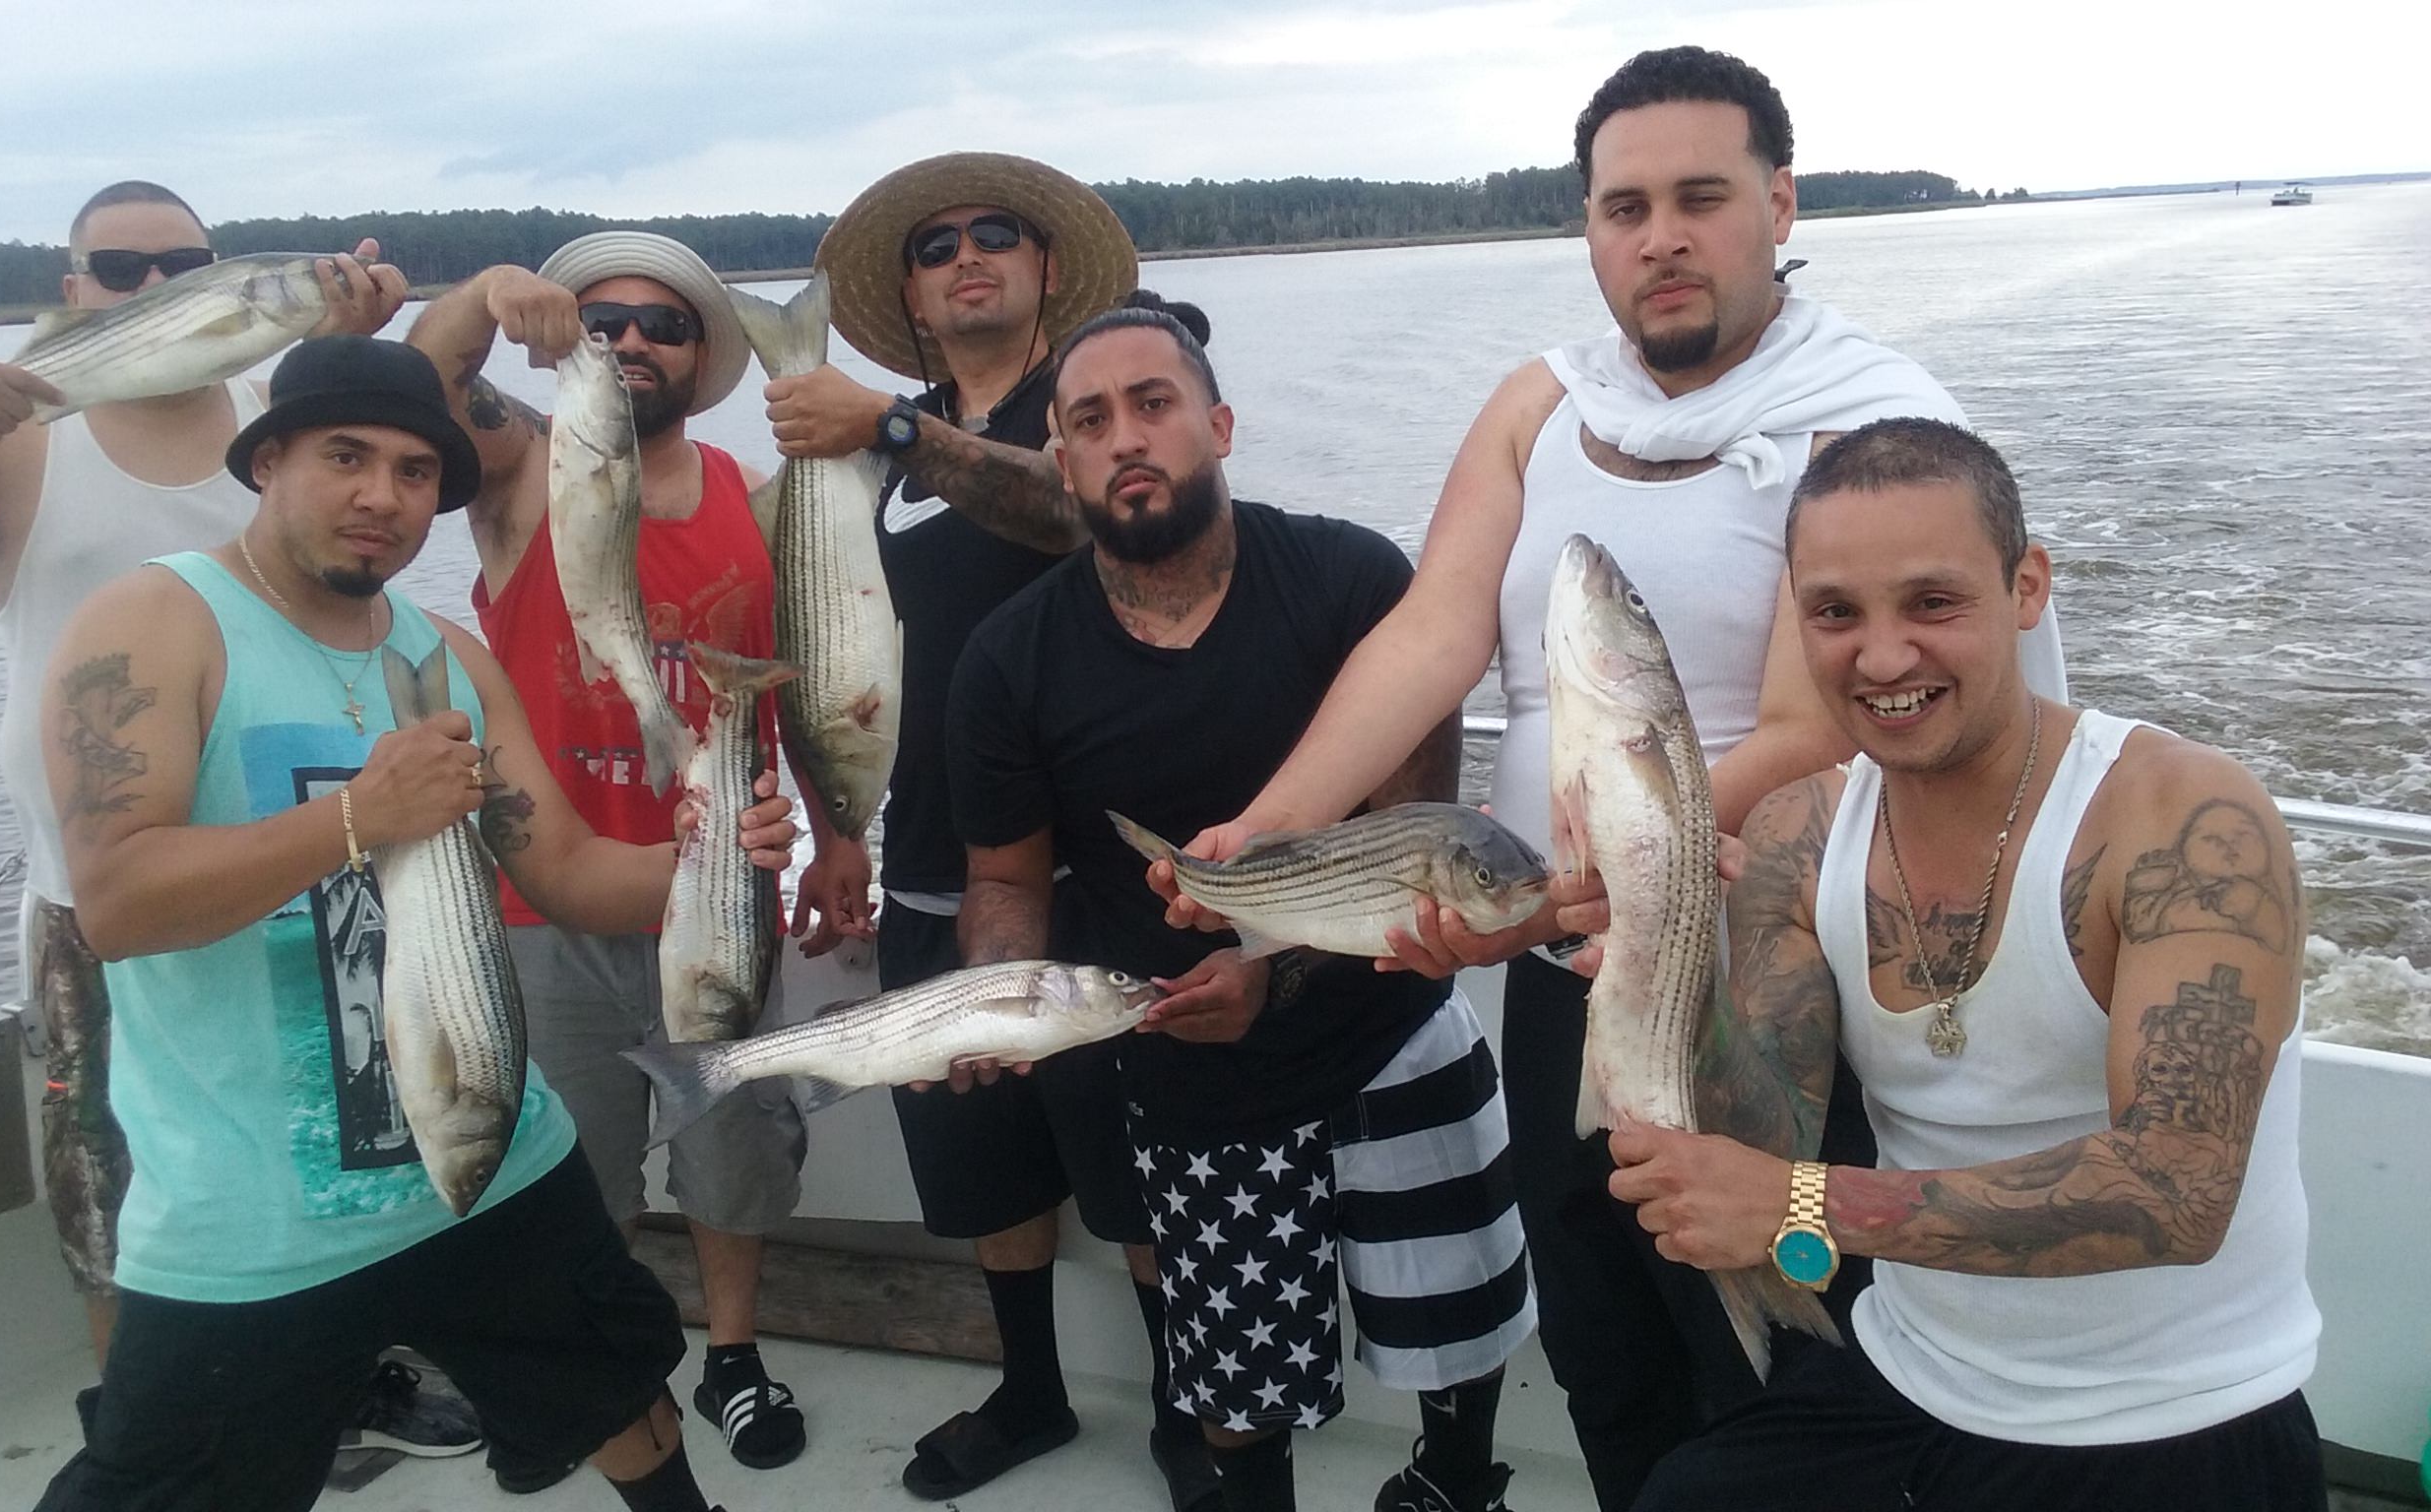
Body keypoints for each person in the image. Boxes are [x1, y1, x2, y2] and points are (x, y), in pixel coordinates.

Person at [1164, 46, 2068, 1508]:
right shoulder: (1540, 403)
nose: (1661, 237)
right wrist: (1269, 832)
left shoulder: (1867, 415)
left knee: (1776, 1347)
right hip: (1558, 957)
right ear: (1586, 225)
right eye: (1623, 206)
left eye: (1702, 197)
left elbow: (1812, 724)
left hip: (1768, 953)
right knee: (1598, 1317)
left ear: (1780, 202)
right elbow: (1436, 630)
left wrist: (1561, 893)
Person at [26, 335, 798, 1512]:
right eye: (346, 457)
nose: (382, 496)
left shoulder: (447, 659)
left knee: (619, 1389)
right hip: (254, 1218)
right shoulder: (154, 624)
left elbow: (577, 872)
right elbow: (120, 904)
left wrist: (713, 863)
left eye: (415, 472)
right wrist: (358, 816)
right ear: (267, 459)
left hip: (492, 1151)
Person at [1609, 417, 2323, 1511]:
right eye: (1835, 613)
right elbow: (1761, 1137)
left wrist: (1804, 1207)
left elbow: (2179, 1190)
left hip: (2174, 1413)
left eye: (1931, 603)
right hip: (1912, 1374)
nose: (1882, 658)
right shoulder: (1802, 833)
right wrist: (1661, 968)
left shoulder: (2182, 819)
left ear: (2025, 588)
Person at [0, 180, 478, 1459]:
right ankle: (143, 1425)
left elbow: (408, 488)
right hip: (98, 891)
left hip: (312, 864)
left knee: (343, 1153)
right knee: (108, 1187)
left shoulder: (285, 433)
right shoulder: (19, 438)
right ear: (72, 293)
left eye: (188, 263)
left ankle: (352, 1382)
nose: (157, 289)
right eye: (120, 269)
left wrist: (390, 338)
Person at [943, 307, 1533, 1512]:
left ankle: (1454, 1478)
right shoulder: (1008, 661)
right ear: (1060, 461)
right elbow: (1005, 884)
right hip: (1190, 1069)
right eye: (1090, 420)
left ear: (1218, 425)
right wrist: (991, 1000)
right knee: (1234, 1395)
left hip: (1392, 1027)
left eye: (1154, 403)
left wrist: (1279, 969)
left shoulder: (1355, 580)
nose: (1126, 437)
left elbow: (1414, 842)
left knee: (1459, 1333)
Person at [759, 155, 1220, 1506]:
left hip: (1090, 866)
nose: (965, 257)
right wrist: (839, 828)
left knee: (1128, 1168)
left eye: (994, 235)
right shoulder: (866, 444)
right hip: (929, 861)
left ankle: (1188, 1407)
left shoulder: (1074, 415)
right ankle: (1030, 1389)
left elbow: (1078, 515)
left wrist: (894, 435)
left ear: (1045, 268)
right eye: (935, 245)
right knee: (979, 1155)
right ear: (905, 293)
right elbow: (828, 635)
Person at [408, 230, 867, 1480]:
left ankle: (731, 1357)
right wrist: (480, 298)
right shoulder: (520, 468)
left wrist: (838, 839)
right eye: (603, 318)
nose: (628, 341)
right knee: (571, 1166)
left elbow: (811, 681)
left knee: (735, 1148)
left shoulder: (752, 500)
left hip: (720, 897)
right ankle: (607, 1380)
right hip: (539, 900)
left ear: (700, 355)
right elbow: (418, 392)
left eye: (661, 325)